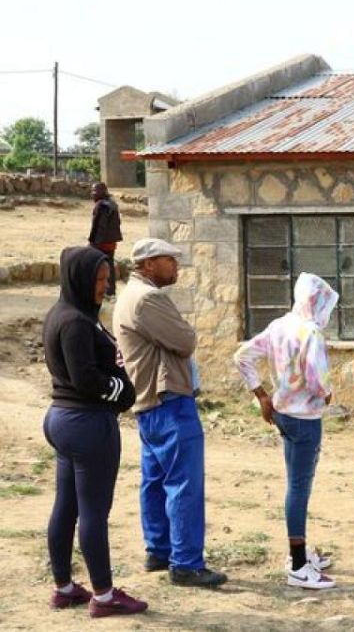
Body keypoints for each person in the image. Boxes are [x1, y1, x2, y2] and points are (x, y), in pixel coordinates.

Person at [113, 238, 226, 588]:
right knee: (184, 483)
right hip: (168, 401)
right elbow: (186, 340)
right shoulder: (149, 299)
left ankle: (160, 549)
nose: (176, 266)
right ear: (148, 264)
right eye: (169, 260)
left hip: (150, 402)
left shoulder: (131, 296)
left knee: (156, 479)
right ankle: (187, 563)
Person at [42, 246, 148, 617]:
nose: (103, 286)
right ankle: (104, 596)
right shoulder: (74, 322)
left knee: (67, 506)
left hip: (64, 419)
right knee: (92, 512)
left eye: (106, 279)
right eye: (98, 280)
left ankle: (64, 587)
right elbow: (85, 378)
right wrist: (123, 393)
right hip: (87, 423)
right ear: (79, 278)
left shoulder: (64, 313)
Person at [233, 273, 338, 588]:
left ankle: (301, 553)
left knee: (296, 485)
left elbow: (242, 357)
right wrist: (328, 393)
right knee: (299, 488)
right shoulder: (312, 334)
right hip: (305, 419)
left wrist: (261, 394)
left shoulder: (279, 325)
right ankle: (297, 564)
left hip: (282, 414)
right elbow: (317, 381)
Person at [88, 183, 122, 299]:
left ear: (102, 192)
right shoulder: (112, 204)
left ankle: (103, 290)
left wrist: (93, 244)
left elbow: (99, 227)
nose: (92, 194)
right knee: (110, 266)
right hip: (111, 242)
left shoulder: (102, 206)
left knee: (98, 266)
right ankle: (110, 291)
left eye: (95, 191)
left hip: (102, 243)